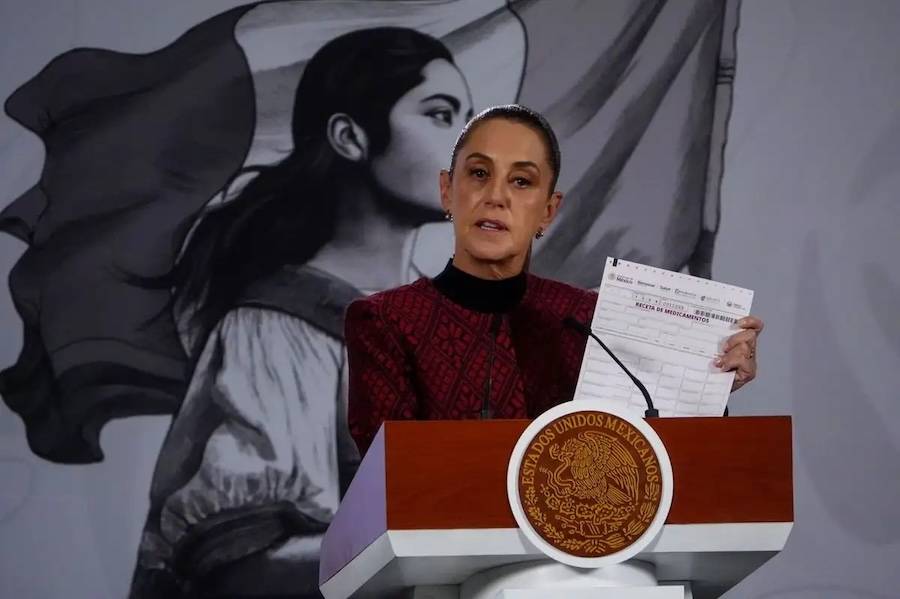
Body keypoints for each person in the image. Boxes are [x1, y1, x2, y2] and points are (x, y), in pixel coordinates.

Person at [130, 27, 474, 598]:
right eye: (441, 116)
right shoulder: (279, 327)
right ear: (350, 137)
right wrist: (452, 545)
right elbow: (245, 569)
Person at [346, 104, 763, 454]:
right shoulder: (385, 321)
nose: (496, 196)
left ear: (548, 211)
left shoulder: (589, 321)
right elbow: (393, 478)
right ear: (446, 190)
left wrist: (709, 384)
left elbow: (660, 459)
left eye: (521, 181)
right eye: (479, 173)